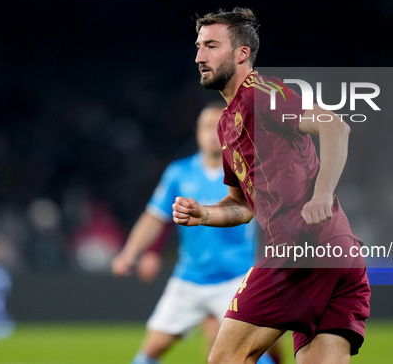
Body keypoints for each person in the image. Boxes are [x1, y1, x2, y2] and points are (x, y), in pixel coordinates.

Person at [172, 8, 371, 363]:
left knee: (225, 358)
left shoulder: (261, 92)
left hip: (301, 248)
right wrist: (204, 213)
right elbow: (242, 206)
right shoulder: (226, 125)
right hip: (338, 252)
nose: (199, 56)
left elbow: (334, 125)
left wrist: (324, 191)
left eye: (212, 46)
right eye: (199, 46)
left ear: (241, 54)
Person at [112, 102, 277, 364]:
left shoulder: (247, 172)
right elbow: (154, 217)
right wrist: (129, 254)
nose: (213, 134)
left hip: (236, 281)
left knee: (249, 352)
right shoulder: (179, 172)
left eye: (219, 127)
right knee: (153, 347)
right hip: (190, 279)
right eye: (206, 127)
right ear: (197, 132)